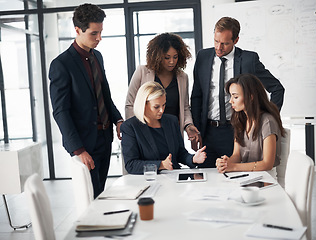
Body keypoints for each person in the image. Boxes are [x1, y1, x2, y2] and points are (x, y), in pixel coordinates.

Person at [49, 3, 124, 198]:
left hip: (104, 138)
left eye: (100, 32)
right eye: (93, 33)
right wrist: (78, 149)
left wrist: (118, 120)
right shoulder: (61, 64)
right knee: (89, 196)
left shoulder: (97, 56)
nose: (99, 38)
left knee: (100, 194)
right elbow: (60, 111)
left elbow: (104, 95)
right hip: (84, 144)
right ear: (77, 30)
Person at [191, 16, 284, 168]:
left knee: (235, 179)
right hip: (208, 131)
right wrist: (196, 130)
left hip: (237, 130)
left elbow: (277, 89)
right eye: (216, 41)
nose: (219, 48)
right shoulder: (203, 57)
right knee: (207, 179)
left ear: (236, 40)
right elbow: (197, 96)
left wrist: (265, 117)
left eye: (225, 43)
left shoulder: (249, 60)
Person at [125, 33, 200, 148]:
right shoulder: (142, 72)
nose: (171, 61)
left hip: (172, 133)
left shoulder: (182, 77)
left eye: (175, 57)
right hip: (146, 132)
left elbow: (184, 107)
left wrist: (188, 125)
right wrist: (134, 132)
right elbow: (130, 104)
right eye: (167, 57)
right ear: (158, 56)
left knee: (172, 164)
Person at [121, 82, 206, 174]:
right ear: (143, 105)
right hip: (148, 180)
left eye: (164, 105)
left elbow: (180, 153)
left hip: (174, 179)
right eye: (156, 107)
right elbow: (131, 164)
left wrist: (193, 159)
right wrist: (161, 165)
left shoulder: (171, 121)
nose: (162, 110)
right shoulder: (130, 127)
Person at [215, 74, 285, 177]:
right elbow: (237, 155)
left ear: (250, 97)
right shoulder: (240, 119)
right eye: (231, 96)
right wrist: (226, 163)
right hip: (245, 176)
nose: (231, 101)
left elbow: (267, 164)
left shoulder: (267, 121)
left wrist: (233, 167)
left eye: (235, 97)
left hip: (265, 179)